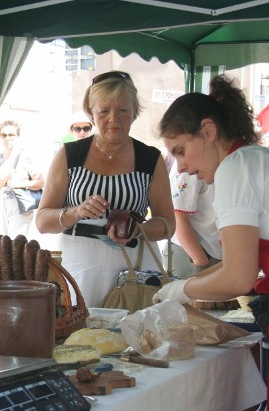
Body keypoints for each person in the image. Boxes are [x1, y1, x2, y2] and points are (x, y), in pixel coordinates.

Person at [153, 75, 269, 411]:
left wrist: (179, 289)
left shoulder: (235, 166)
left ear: (209, 131)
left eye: (181, 150)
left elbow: (238, 277)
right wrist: (186, 285)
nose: (181, 166)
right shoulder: (252, 158)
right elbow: (236, 261)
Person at [35, 70, 175, 308]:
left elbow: (168, 224)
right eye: (104, 111)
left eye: (122, 110)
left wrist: (137, 230)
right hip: (80, 268)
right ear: (91, 112)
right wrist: (76, 212)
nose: (114, 119)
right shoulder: (70, 155)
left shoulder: (149, 159)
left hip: (134, 270)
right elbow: (42, 220)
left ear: (134, 111)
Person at [162, 161, 221, 279]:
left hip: (220, 254)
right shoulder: (188, 163)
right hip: (192, 253)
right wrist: (201, 263)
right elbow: (178, 216)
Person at [0, 120, 45, 238]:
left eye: (11, 135)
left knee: (16, 246)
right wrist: (4, 179)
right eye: (4, 135)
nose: (7, 138)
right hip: (1, 207)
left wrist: (20, 183)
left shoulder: (27, 157)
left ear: (18, 136)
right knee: (0, 246)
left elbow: (41, 182)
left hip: (20, 207)